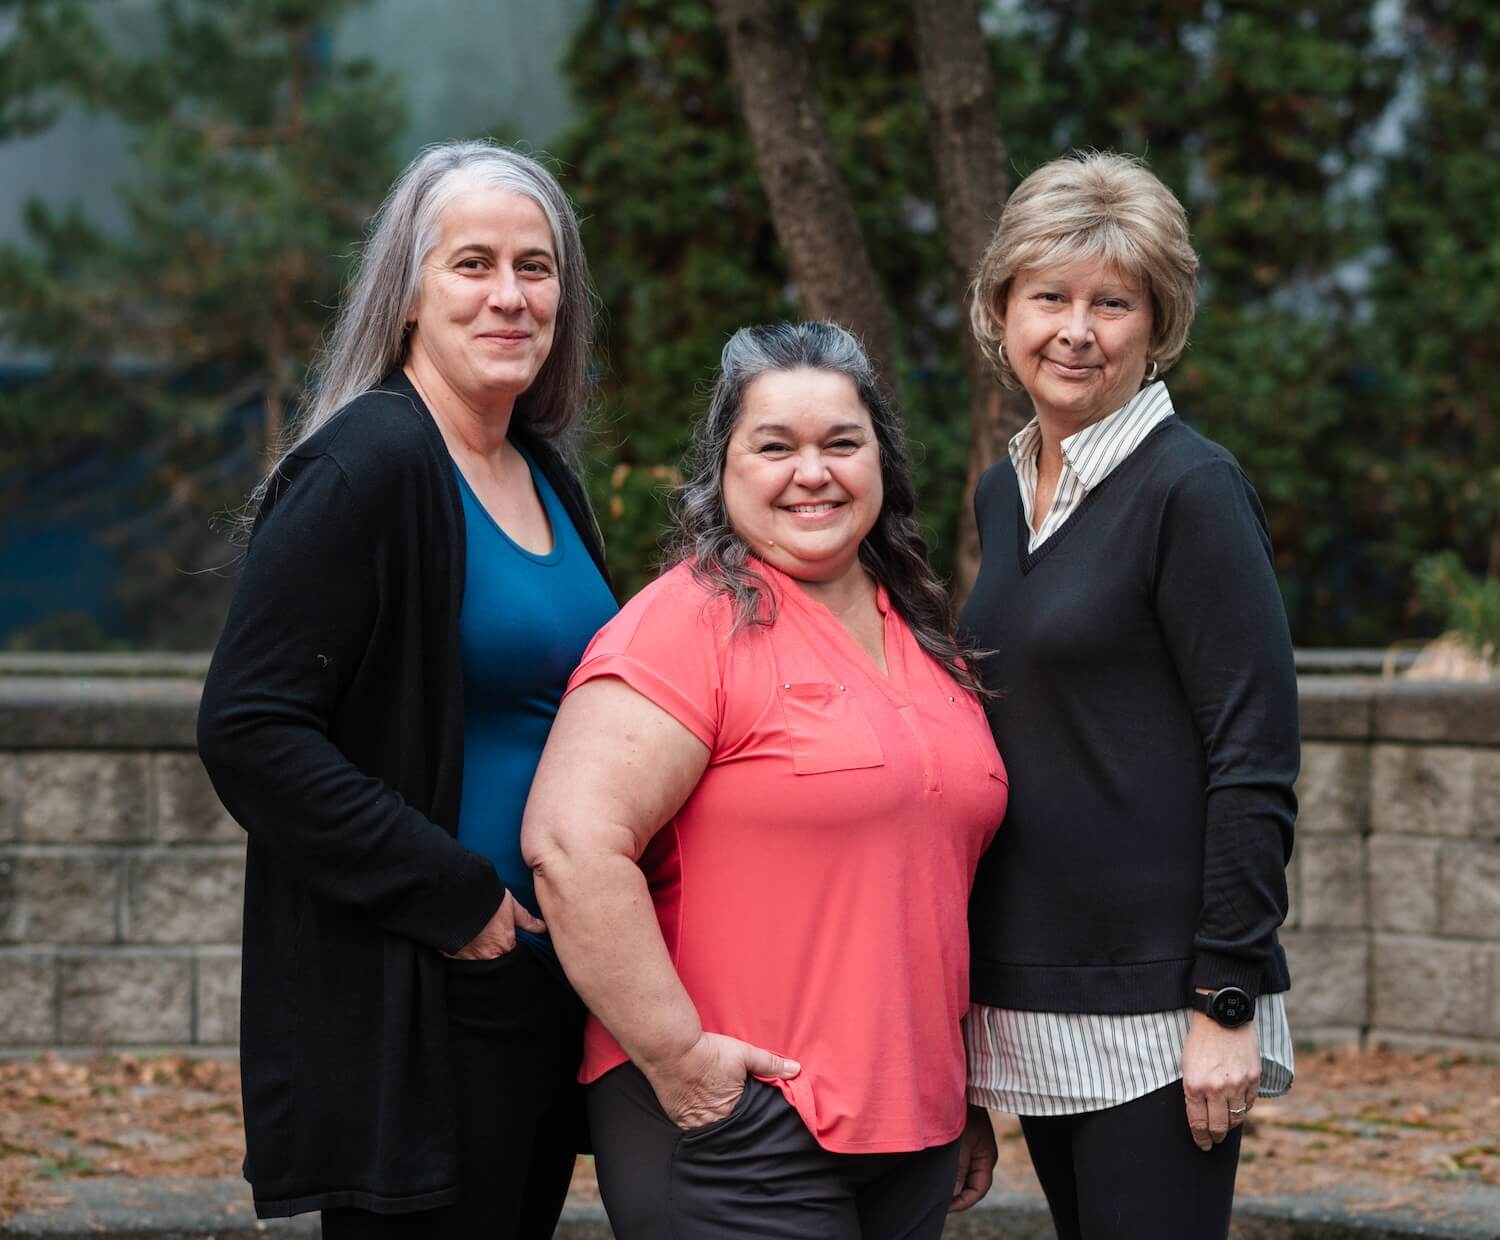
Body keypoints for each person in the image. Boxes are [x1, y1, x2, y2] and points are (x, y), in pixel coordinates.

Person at [196, 140, 616, 1238]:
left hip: (537, 990)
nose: (510, 296)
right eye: (472, 264)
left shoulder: (543, 472)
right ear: (408, 293)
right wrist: (458, 897)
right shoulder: (367, 465)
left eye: (538, 268)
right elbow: (251, 728)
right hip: (426, 991)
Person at [519, 322, 1008, 1240]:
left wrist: (960, 1088)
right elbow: (571, 844)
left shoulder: (923, 630)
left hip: (913, 1128)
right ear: (724, 466)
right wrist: (679, 1057)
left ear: (882, 461)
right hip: (738, 1124)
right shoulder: (687, 624)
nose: (811, 472)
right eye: (774, 445)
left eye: (841, 443)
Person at [959, 150, 1300, 1239]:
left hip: (1163, 1006)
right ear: (1001, 310)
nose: (1076, 328)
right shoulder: (1005, 493)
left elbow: (1255, 755)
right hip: (1040, 988)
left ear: (1157, 325)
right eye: (1049, 296)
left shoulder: (1190, 488)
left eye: (1112, 303)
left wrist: (1227, 999)